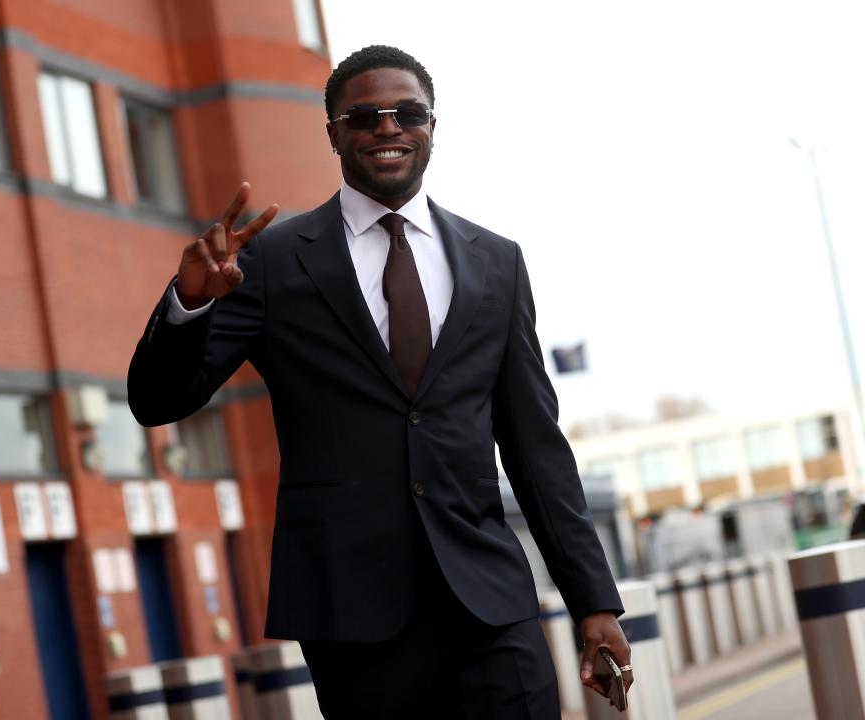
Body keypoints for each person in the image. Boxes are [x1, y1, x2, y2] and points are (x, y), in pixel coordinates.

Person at [129, 44, 632, 719]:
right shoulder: (273, 262)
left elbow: (535, 446)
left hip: (489, 602)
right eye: (364, 117)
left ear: (432, 127)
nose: (388, 128)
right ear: (334, 134)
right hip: (352, 615)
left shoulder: (497, 262)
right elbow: (157, 401)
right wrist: (190, 304)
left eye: (408, 113)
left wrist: (593, 601)